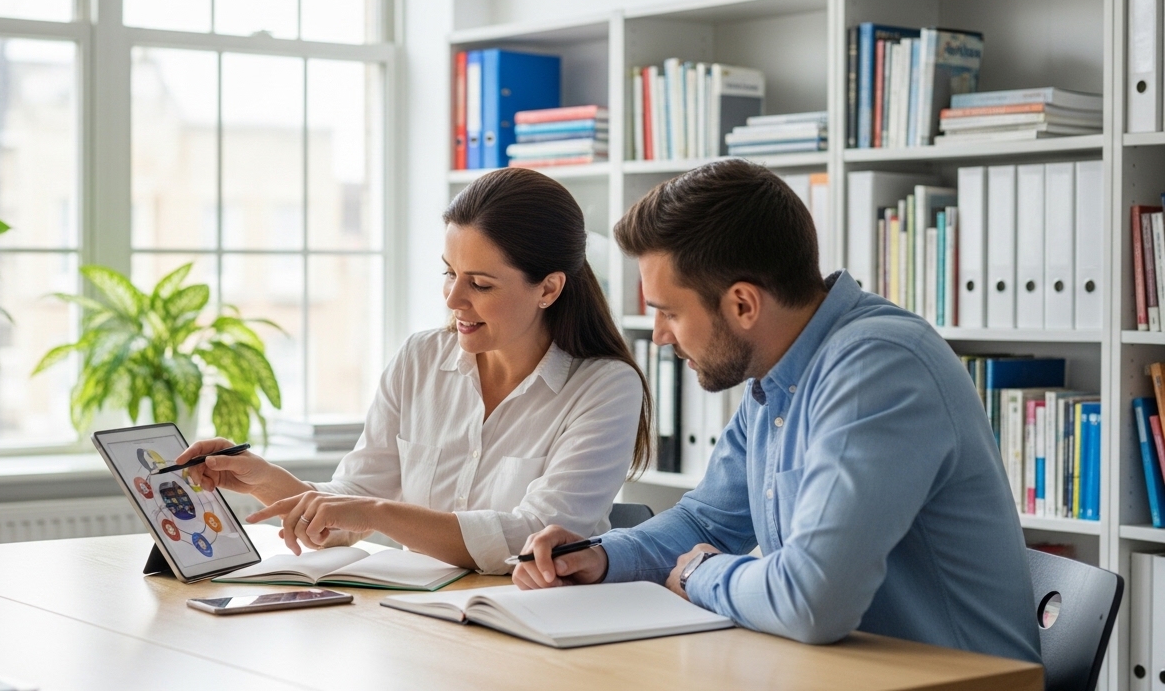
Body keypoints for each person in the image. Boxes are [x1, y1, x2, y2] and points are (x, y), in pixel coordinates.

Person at [513, 160, 1041, 663]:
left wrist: (701, 574)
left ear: (743, 304)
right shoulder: (777, 376)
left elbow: (814, 600)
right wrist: (601, 557)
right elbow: (708, 520)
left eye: (670, 312)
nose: (660, 336)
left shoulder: (877, 369)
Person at [177, 168, 649, 574]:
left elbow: (532, 537)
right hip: (421, 619)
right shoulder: (420, 359)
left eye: (480, 284)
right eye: (449, 273)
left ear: (548, 289)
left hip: (528, 623)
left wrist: (377, 513)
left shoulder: (604, 388)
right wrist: (263, 478)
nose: (452, 299)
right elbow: (354, 501)